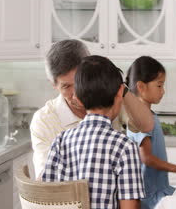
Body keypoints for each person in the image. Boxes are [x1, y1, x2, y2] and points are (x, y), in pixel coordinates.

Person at [30, 39, 153, 179]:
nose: (76, 93)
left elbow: (147, 125)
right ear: (53, 85)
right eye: (66, 86)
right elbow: (45, 181)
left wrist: (117, 84)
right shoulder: (44, 120)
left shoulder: (112, 98)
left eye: (79, 81)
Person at [42, 55, 144, 209]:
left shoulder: (60, 141)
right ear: (120, 93)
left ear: (77, 98)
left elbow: (45, 198)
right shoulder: (125, 147)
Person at [125, 56, 176, 209]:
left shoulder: (147, 115)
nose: (163, 91)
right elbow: (146, 157)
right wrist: (175, 168)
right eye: (159, 85)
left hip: (158, 190)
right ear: (141, 87)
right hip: (150, 196)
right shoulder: (138, 119)